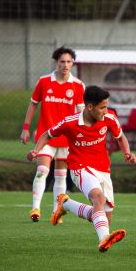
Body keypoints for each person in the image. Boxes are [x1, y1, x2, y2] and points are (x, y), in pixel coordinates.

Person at [27, 86, 136, 253]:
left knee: (103, 217)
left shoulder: (109, 118)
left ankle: (66, 204)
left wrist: (127, 152)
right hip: (80, 167)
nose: (105, 111)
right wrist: (36, 150)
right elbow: (48, 134)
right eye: (102, 107)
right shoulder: (70, 123)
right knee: (98, 198)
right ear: (90, 107)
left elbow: (120, 137)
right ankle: (103, 240)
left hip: (103, 169)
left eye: (106, 106)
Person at [20, 46, 85, 222]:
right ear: (56, 62)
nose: (65, 65)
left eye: (69, 61)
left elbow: (81, 113)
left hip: (66, 139)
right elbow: (33, 104)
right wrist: (26, 127)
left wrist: (82, 134)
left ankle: (57, 211)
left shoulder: (78, 85)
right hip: (46, 136)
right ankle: (35, 208)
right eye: (62, 61)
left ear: (73, 63)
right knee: (42, 171)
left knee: (61, 177)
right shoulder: (44, 81)